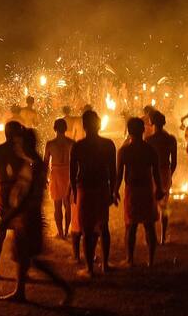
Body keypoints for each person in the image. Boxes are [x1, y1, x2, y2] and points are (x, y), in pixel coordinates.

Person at [0, 129, 72, 304]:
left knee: (32, 259)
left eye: (19, 143)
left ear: (27, 144)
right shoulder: (30, 162)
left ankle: (65, 288)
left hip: (28, 217)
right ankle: (20, 291)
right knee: (23, 257)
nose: (16, 146)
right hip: (24, 216)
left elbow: (28, 195)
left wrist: (9, 216)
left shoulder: (35, 165)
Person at [70, 110, 117, 277]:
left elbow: (72, 172)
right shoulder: (108, 144)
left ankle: (90, 268)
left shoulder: (79, 146)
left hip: (85, 188)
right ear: (98, 125)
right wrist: (113, 191)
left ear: (84, 126)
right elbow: (113, 171)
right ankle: (104, 264)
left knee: (87, 229)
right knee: (103, 226)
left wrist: (75, 193)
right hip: (101, 187)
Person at [116, 118, 164, 266]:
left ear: (129, 131)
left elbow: (119, 175)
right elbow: (156, 173)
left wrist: (115, 191)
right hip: (147, 189)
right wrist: (159, 189)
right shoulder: (150, 150)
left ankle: (130, 259)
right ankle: (150, 260)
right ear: (143, 130)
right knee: (149, 225)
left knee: (131, 226)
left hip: (133, 190)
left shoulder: (124, 151)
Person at [0, 121, 24, 280]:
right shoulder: (18, 152)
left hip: (0, 189)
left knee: (0, 230)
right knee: (19, 230)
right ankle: (20, 273)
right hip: (14, 190)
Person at [145, 111, 177, 244]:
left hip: (152, 173)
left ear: (151, 122)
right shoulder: (170, 139)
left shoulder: (148, 140)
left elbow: (145, 161)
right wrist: (169, 174)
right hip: (165, 172)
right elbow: (174, 162)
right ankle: (163, 236)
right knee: (164, 204)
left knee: (150, 204)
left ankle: (151, 237)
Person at [44, 119, 74, 238]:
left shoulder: (50, 144)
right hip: (68, 173)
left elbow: (45, 162)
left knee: (57, 204)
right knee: (68, 204)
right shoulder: (71, 143)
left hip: (56, 174)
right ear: (65, 128)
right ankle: (67, 231)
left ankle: (60, 233)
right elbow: (76, 162)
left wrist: (44, 178)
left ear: (54, 128)